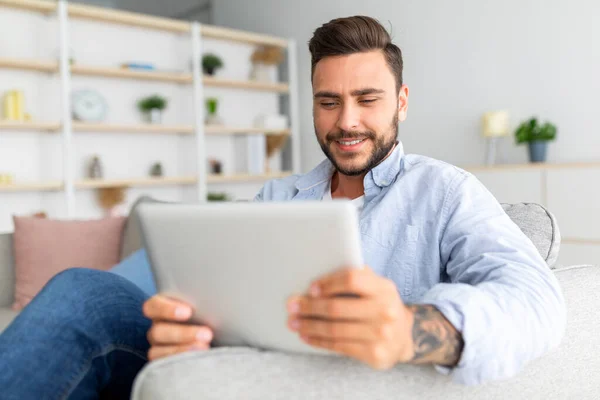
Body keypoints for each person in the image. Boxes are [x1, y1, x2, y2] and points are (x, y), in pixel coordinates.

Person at [0, 15, 565, 399]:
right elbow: (227, 305)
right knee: (81, 290)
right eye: (328, 102)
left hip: (336, 383)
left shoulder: (445, 191)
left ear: (402, 102)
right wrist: (185, 332)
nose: (346, 121)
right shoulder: (277, 197)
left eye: (367, 100)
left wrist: (410, 329)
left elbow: (538, 300)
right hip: (241, 368)